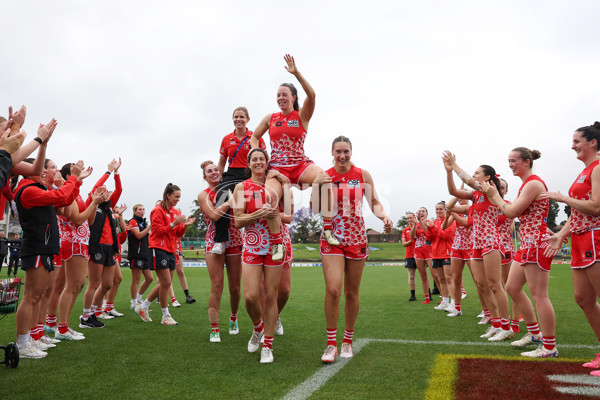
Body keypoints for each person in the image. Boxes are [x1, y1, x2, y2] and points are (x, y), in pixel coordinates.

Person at [250, 54, 339, 262]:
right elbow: (254, 136)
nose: (280, 98)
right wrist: (257, 154)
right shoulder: (270, 118)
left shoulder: (301, 116)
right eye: (278, 95)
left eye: (284, 95)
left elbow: (313, 95)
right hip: (277, 168)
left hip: (300, 164)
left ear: (293, 97)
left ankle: (327, 230)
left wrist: (296, 73)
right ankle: (277, 243)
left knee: (325, 178)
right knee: (269, 198)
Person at [317, 136, 393, 363]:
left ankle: (347, 340)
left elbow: (375, 202)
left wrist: (384, 216)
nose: (342, 156)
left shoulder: (362, 175)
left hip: (357, 238)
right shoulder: (325, 176)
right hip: (331, 239)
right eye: (338, 152)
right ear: (332, 153)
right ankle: (331, 344)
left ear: (351, 152)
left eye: (346, 152)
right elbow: (316, 206)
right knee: (333, 290)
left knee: (351, 293)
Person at [480, 147, 557, 357]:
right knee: (513, 288)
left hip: (535, 244)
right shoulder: (526, 184)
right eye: (509, 161)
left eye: (514, 161)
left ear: (526, 162)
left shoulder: (533, 183)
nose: (510, 164)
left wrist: (494, 196)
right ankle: (534, 334)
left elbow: (511, 212)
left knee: (540, 296)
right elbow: (522, 212)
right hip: (526, 245)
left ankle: (549, 346)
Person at [14, 160, 90, 358]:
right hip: (37, 246)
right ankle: (22, 343)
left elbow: (63, 203)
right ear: (36, 170)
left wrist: (74, 183)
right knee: (31, 296)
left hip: (45, 246)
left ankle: (34, 335)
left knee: (40, 295)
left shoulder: (41, 190)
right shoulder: (29, 189)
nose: (54, 171)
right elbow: (62, 197)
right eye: (52, 167)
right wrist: (72, 179)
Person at [543, 122, 600, 370]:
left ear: (592, 143)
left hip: (594, 238)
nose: (573, 145)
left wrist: (564, 198)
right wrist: (561, 235)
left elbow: (596, 206)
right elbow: (577, 211)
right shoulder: (585, 171)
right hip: (579, 238)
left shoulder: (598, 168)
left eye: (577, 141)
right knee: (583, 298)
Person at [442, 151, 512, 342]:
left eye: (477, 172)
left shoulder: (489, 190)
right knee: (482, 285)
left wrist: (455, 165)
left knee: (495, 285)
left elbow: (468, 181)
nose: (474, 175)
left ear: (488, 177)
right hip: (476, 242)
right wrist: (449, 171)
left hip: (490, 240)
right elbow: (453, 193)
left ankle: (506, 327)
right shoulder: (476, 195)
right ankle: (495, 323)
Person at [232, 148, 286, 364]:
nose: (258, 162)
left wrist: (276, 213)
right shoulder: (241, 187)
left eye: (261, 159)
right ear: (249, 163)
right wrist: (257, 214)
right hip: (253, 246)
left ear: (267, 162)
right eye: (254, 159)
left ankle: (268, 345)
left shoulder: (277, 185)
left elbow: (289, 216)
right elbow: (237, 221)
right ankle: (258, 328)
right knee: (251, 297)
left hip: (275, 245)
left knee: (271, 297)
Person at [55, 162, 106, 341]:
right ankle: (61, 328)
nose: (82, 173)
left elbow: (89, 221)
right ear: (69, 176)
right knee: (72, 286)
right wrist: (93, 202)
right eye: (77, 171)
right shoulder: (70, 193)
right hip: (73, 242)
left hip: (80, 241)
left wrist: (94, 201)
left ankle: (63, 326)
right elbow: (77, 220)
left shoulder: (76, 194)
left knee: (76, 286)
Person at [135, 183, 195, 325]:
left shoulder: (175, 212)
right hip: (158, 248)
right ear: (168, 195)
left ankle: (143, 307)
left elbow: (178, 234)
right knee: (166, 282)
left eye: (180, 197)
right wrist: (173, 224)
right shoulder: (157, 210)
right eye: (176, 197)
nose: (178, 199)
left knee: (165, 283)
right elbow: (156, 231)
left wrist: (184, 226)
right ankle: (165, 316)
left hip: (171, 249)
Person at [211, 107, 267, 255]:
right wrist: (218, 181)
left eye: (242, 117)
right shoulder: (226, 138)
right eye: (236, 117)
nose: (238, 120)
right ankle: (219, 241)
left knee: (257, 200)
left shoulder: (255, 137)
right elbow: (222, 162)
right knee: (222, 196)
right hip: (232, 172)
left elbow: (264, 157)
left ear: (248, 119)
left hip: (250, 173)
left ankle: (261, 235)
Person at [198, 161, 243, 342]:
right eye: (210, 171)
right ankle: (214, 328)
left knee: (235, 287)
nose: (214, 173)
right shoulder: (204, 194)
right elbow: (214, 215)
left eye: (216, 170)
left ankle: (233, 317)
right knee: (217, 285)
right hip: (214, 241)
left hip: (235, 239)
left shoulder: (232, 189)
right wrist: (228, 203)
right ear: (205, 177)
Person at [80, 159, 122, 329]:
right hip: (96, 246)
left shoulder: (109, 207)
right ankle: (86, 317)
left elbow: (119, 189)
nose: (105, 192)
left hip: (110, 247)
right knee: (94, 283)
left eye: (106, 191)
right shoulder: (93, 203)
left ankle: (94, 312)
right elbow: (97, 186)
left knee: (107, 284)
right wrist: (108, 172)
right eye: (101, 190)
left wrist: (117, 173)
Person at [427, 202, 456, 311]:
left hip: (446, 252)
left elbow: (446, 235)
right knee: (441, 279)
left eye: (440, 209)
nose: (438, 211)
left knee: (449, 278)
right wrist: (429, 228)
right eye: (437, 209)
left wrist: (433, 227)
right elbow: (430, 238)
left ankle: (453, 303)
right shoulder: (435, 222)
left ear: (445, 210)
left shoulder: (449, 221)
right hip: (435, 253)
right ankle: (444, 302)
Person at [127, 204, 153, 310]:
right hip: (136, 254)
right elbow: (138, 235)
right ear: (134, 211)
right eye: (139, 209)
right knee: (136, 279)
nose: (142, 211)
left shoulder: (143, 222)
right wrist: (150, 227)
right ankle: (133, 303)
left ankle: (138, 298)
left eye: (143, 209)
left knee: (150, 278)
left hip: (145, 253)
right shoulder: (133, 221)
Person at [411, 207, 432, 304]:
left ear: (427, 214)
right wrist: (414, 225)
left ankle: (444, 297)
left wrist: (421, 221)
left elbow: (428, 233)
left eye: (423, 211)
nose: (421, 212)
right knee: (423, 275)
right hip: (418, 250)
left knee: (435, 274)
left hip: (429, 249)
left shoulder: (430, 222)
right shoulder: (416, 223)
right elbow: (412, 237)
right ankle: (426, 298)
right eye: (419, 211)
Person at [402, 213, 418, 301]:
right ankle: (413, 295)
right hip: (409, 255)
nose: (409, 220)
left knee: (424, 275)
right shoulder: (405, 230)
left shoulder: (419, 227)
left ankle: (428, 295)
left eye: (411, 218)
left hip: (420, 255)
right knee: (411, 276)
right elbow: (404, 244)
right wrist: (411, 240)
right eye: (407, 218)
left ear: (414, 218)